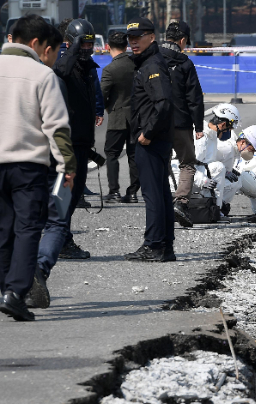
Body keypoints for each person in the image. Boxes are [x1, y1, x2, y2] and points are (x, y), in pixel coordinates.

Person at [0, 15, 76, 321]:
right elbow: (57, 128)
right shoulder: (42, 76)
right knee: (28, 228)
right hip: (27, 166)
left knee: (2, 229)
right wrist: (67, 167)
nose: (53, 57)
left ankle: (4, 287)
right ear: (36, 44)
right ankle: (16, 293)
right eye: (53, 50)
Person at [124, 18, 175, 262]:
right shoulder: (148, 62)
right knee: (161, 192)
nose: (133, 41)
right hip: (156, 138)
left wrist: (147, 133)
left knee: (153, 194)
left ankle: (154, 245)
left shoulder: (152, 65)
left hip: (151, 140)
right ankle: (165, 246)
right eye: (130, 38)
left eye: (139, 36)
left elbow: (163, 103)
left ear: (152, 37)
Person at [53, 18, 99, 260]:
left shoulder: (88, 68)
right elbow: (60, 70)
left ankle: (62, 237)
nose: (86, 48)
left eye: (89, 43)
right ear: (70, 43)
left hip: (83, 140)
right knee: (65, 196)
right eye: (82, 44)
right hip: (68, 143)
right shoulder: (65, 65)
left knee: (75, 194)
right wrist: (73, 48)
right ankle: (61, 240)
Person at [160, 20, 204, 228]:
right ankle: (181, 202)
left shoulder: (152, 59)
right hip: (181, 123)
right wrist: (199, 127)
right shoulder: (185, 63)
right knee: (187, 162)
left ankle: (160, 203)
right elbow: (194, 98)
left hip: (156, 123)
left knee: (160, 161)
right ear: (183, 40)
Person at [169, 104, 240, 215]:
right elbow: (186, 165)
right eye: (229, 128)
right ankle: (212, 210)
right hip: (180, 179)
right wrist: (203, 181)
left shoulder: (211, 134)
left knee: (232, 180)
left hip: (193, 175)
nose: (229, 132)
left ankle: (213, 209)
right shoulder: (201, 138)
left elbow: (206, 161)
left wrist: (227, 171)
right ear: (223, 124)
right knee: (218, 168)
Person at [101, 31, 141, 204]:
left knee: (111, 153)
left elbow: (102, 95)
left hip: (117, 116)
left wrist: (106, 107)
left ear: (108, 47)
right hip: (136, 116)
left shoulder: (110, 69)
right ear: (126, 46)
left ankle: (114, 191)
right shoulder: (137, 64)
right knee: (133, 155)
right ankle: (132, 192)